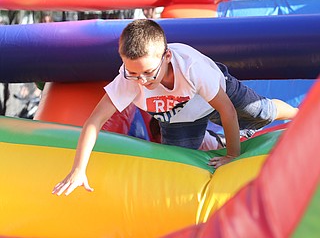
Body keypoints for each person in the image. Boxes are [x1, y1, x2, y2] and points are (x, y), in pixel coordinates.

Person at [52, 19, 298, 196]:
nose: (143, 81)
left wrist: (233, 156)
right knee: (179, 164)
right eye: (133, 72)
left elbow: (227, 111)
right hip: (179, 118)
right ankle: (218, 140)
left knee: (261, 113)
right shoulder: (129, 80)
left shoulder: (192, 68)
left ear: (167, 56)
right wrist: (78, 169)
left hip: (213, 94)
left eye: (149, 72)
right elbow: (94, 122)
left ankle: (303, 114)